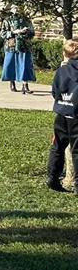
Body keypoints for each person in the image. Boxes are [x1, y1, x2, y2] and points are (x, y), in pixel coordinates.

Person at [47, 38, 78, 192]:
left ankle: (52, 178)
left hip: (62, 113)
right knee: (77, 151)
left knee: (57, 147)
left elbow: (54, 91)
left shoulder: (61, 70)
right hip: (76, 116)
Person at [1, 5, 36, 94]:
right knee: (10, 64)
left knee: (26, 64)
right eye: (14, 8)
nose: (16, 10)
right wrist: (13, 32)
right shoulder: (7, 20)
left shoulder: (26, 20)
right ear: (11, 9)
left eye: (17, 8)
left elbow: (32, 33)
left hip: (24, 45)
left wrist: (25, 31)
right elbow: (3, 33)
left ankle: (25, 85)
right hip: (11, 46)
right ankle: (12, 83)